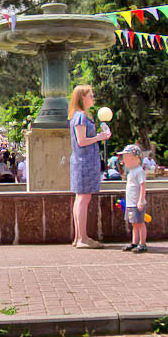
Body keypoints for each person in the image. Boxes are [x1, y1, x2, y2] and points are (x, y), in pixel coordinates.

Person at [68, 85, 110, 249]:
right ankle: (82, 238)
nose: (92, 98)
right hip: (83, 162)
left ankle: (79, 237)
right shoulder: (80, 117)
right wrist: (99, 137)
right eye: (90, 95)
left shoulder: (80, 116)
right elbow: (82, 141)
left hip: (84, 162)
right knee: (83, 198)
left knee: (81, 199)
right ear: (82, 98)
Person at [119, 144, 148, 253]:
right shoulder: (131, 171)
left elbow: (142, 186)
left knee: (140, 222)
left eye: (127, 158)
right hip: (131, 203)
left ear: (135, 158)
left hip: (136, 203)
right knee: (134, 223)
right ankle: (134, 242)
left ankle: (142, 243)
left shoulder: (139, 171)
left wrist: (140, 200)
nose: (124, 160)